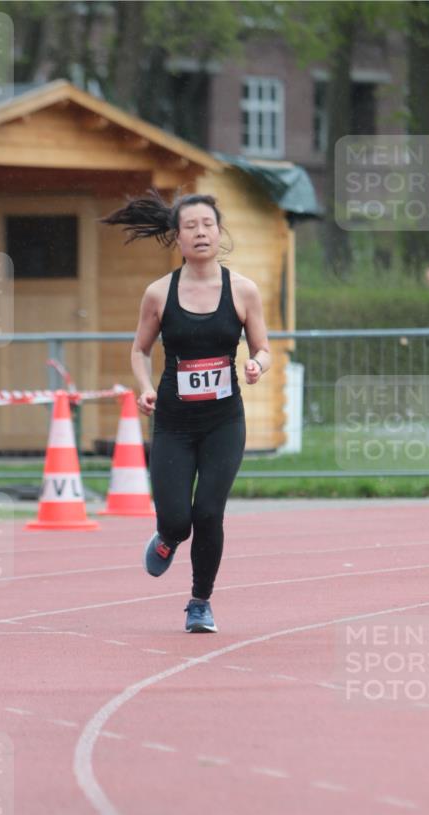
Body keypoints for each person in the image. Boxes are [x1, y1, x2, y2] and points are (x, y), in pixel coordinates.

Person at [101, 191, 270, 633]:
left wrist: (256, 365)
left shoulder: (243, 290)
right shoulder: (159, 293)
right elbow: (139, 350)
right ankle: (167, 538)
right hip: (174, 422)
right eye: (191, 226)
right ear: (177, 237)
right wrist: (143, 388)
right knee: (177, 518)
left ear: (219, 232)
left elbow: (264, 348)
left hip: (223, 422)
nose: (200, 232)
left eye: (208, 225)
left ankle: (200, 602)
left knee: (209, 512)